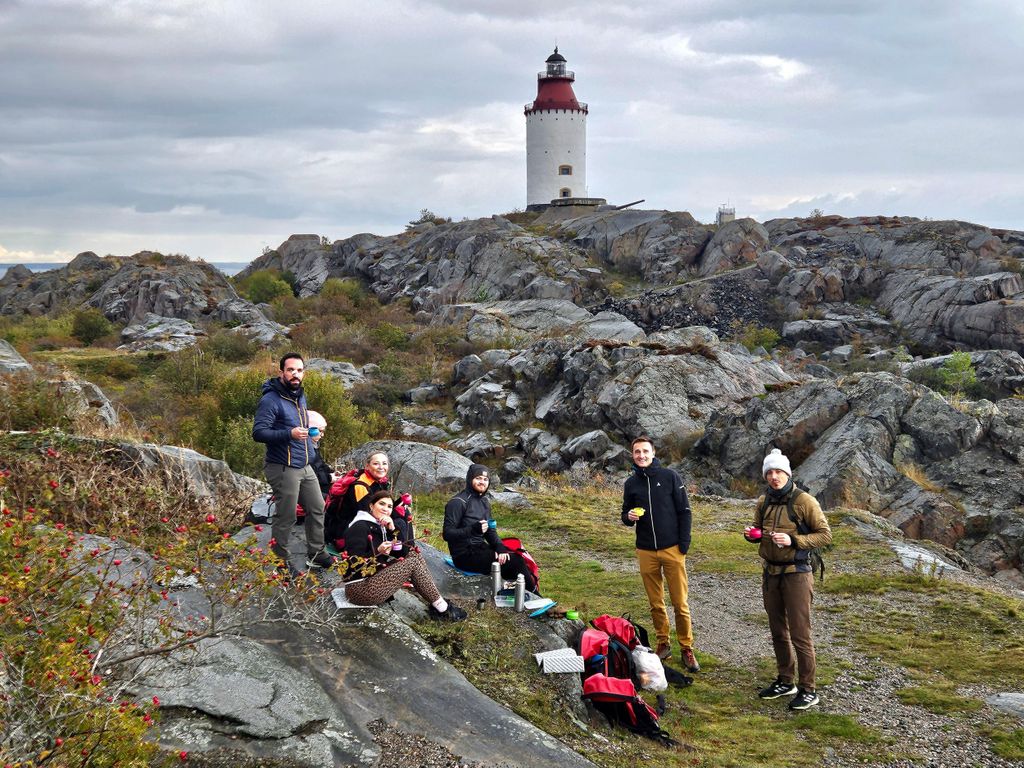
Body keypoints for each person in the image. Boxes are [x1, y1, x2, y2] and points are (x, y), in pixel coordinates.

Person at [745, 448, 832, 711]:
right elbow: (759, 530)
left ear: (787, 473)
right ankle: (786, 680)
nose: (774, 477)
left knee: (800, 634)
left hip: (797, 574)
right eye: (769, 472)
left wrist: (794, 540)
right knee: (777, 631)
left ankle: (808, 689)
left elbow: (825, 535)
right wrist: (753, 535)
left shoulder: (804, 501)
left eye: (778, 472)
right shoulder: (764, 502)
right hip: (770, 573)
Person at [621, 436, 699, 672]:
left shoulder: (670, 477)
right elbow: (625, 514)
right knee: (656, 603)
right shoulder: (631, 483)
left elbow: (685, 511)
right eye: (637, 452)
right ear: (632, 455)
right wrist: (629, 518)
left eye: (645, 451)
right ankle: (663, 643)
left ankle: (686, 647)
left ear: (653, 453)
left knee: (680, 603)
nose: (641, 455)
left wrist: (683, 545)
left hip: (672, 548)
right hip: (646, 550)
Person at [252, 353, 334, 573]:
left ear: (303, 373)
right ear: (281, 373)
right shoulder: (271, 399)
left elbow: (302, 429)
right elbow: (259, 433)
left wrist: (310, 444)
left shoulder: (299, 395)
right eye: (290, 370)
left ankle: (316, 553)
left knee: (317, 507)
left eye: (299, 370)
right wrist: (290, 433)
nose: (295, 374)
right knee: (286, 515)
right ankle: (280, 562)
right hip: (282, 466)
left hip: (304, 464)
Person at [342, 491, 466, 621]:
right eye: (382, 504)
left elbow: (403, 552)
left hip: (372, 578)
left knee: (413, 554)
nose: (386, 509)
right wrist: (377, 552)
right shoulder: (360, 526)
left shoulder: (379, 525)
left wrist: (392, 529)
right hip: (359, 590)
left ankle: (436, 600)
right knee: (411, 563)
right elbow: (354, 565)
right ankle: (444, 610)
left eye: (389, 506)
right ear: (371, 506)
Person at [442, 464, 539, 593]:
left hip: (480, 548)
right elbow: (447, 534)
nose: (482, 482)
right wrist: (472, 530)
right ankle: (535, 595)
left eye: (485, 479)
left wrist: (499, 547)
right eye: (478, 478)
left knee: (517, 556)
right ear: (470, 479)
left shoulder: (484, 502)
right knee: (516, 562)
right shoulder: (458, 502)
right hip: (464, 555)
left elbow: (490, 530)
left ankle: (512, 590)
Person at [325, 451, 391, 545]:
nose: (381, 467)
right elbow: (367, 514)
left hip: (360, 522)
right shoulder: (361, 486)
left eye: (384, 463)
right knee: (396, 521)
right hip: (346, 529)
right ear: (367, 466)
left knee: (402, 513)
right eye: (376, 464)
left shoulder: (379, 481)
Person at [306, 410, 333, 497]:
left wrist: (332, 472)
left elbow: (321, 464)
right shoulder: (304, 450)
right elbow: (311, 473)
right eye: (320, 431)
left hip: (321, 484)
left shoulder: (313, 446)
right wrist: (329, 478)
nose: (322, 435)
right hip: (314, 489)